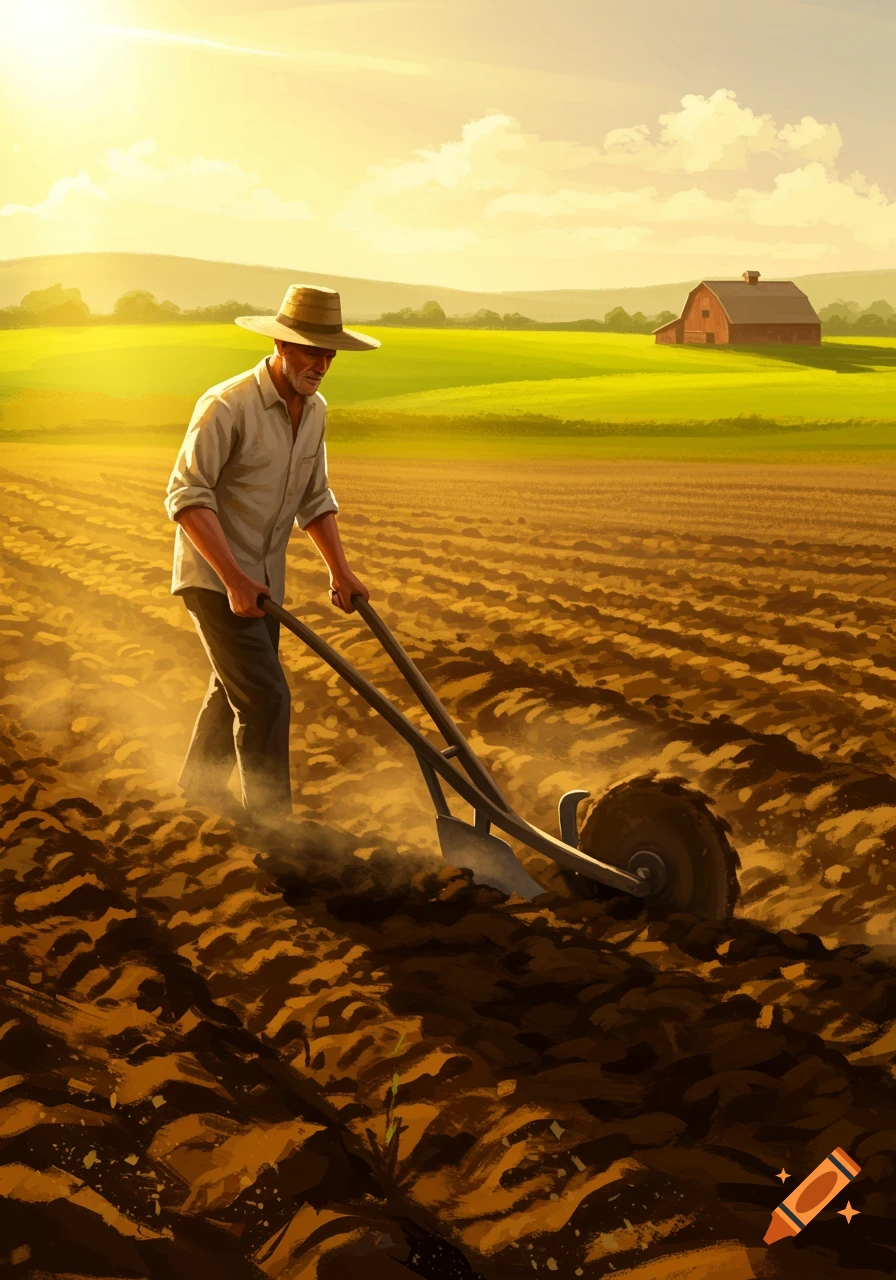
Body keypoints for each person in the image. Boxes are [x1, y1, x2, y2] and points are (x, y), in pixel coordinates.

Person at [164, 283, 379, 825]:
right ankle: (272, 828)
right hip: (216, 578)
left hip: (263, 583)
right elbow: (187, 496)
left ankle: (197, 792)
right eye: (312, 350)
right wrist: (235, 579)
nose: (323, 363)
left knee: (233, 688)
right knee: (265, 699)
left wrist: (340, 571)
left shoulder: (314, 410)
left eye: (329, 353)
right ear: (281, 345)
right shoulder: (226, 405)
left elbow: (314, 497)